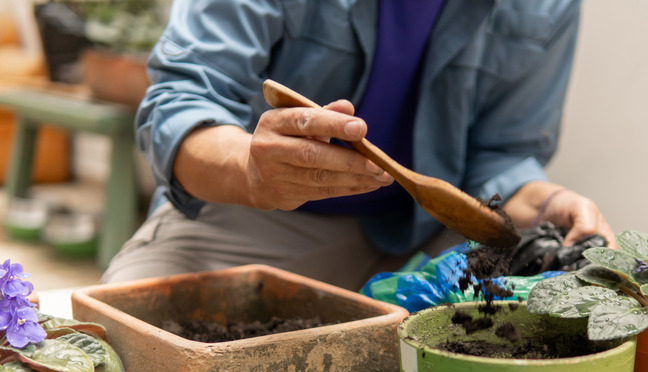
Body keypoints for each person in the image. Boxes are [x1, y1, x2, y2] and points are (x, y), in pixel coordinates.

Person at [102, 0, 616, 291]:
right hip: (257, 215)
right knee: (125, 355)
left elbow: (501, 156)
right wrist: (251, 169)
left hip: (431, 237)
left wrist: (547, 203)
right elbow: (182, 100)